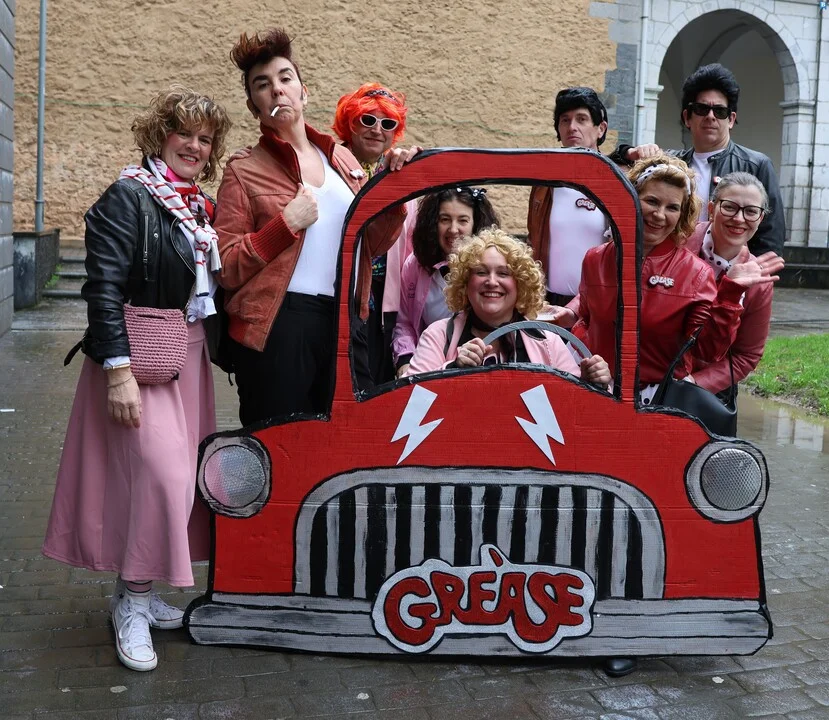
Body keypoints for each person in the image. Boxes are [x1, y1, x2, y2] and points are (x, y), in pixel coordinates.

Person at [42, 87, 232, 672]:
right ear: (158, 134)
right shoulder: (128, 196)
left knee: (175, 483)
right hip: (140, 357)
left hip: (185, 354)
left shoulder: (195, 207)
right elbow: (101, 287)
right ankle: (131, 604)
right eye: (184, 133)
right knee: (160, 476)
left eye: (205, 139)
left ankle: (140, 592)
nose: (194, 146)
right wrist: (118, 370)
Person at [214, 29, 413, 426]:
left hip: (346, 321)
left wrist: (395, 193)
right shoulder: (243, 170)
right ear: (253, 106)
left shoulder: (343, 160)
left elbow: (371, 246)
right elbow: (226, 266)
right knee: (280, 441)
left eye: (285, 78)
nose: (277, 90)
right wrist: (285, 224)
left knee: (348, 439)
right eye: (262, 84)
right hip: (280, 323)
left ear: (303, 93)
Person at [614, 63, 785, 256]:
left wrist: (750, 271)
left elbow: (770, 237)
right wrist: (628, 152)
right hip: (671, 267)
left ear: (730, 119)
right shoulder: (670, 163)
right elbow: (608, 168)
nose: (710, 116)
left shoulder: (756, 165)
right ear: (687, 117)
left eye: (719, 111)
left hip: (729, 269)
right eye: (702, 109)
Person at [403, 228, 610, 387]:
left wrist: (593, 381)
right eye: (481, 272)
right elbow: (407, 397)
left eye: (503, 273)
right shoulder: (439, 335)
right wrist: (453, 368)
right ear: (465, 283)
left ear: (521, 284)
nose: (492, 282)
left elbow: (574, 407)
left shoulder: (548, 341)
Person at [332, 83, 420, 383]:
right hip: (340, 295)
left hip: (386, 301)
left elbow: (410, 250)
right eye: (367, 119)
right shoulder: (329, 168)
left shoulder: (398, 174)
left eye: (388, 123)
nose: (377, 130)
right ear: (350, 123)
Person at [684, 172, 784, 399]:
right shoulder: (678, 243)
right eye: (729, 207)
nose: (739, 219)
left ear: (760, 218)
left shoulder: (758, 282)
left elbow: (746, 355)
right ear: (711, 209)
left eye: (751, 211)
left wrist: (694, 383)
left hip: (705, 391)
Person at [393, 187, 500, 377]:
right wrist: (405, 359)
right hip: (429, 369)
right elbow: (405, 323)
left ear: (476, 224)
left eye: (463, 220)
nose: (453, 229)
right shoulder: (416, 266)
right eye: (445, 219)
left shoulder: (493, 270)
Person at [527, 87, 611, 306]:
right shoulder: (544, 185)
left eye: (581, 119)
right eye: (565, 120)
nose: (572, 127)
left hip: (598, 306)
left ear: (600, 128)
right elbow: (534, 239)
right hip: (548, 302)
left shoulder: (614, 180)